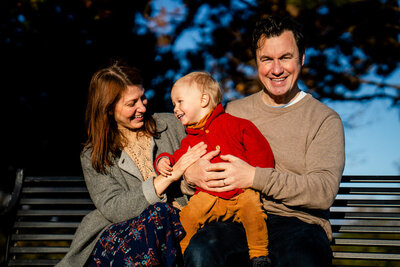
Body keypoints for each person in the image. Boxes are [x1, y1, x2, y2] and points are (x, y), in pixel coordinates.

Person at [181, 16, 345, 267]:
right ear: (257, 62)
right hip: (236, 220)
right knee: (202, 250)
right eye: (267, 59)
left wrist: (255, 177)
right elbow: (200, 166)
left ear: (302, 58)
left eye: (285, 57)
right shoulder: (233, 111)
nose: (276, 69)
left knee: (302, 259)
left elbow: (322, 192)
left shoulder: (324, 119)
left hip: (299, 224)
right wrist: (191, 177)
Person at [56, 61, 207, 267]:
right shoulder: (93, 154)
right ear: (108, 108)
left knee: (162, 214)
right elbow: (115, 208)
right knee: (159, 213)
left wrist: (188, 178)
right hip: (121, 236)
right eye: (131, 103)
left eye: (143, 97)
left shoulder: (171, 125)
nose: (142, 107)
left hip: (181, 226)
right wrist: (169, 176)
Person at [155, 72, 274, 267]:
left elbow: (262, 154)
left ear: (203, 100)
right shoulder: (190, 139)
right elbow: (179, 158)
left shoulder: (236, 125)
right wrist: (164, 160)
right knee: (187, 216)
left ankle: (259, 255)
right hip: (209, 196)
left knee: (254, 212)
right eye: (173, 104)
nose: (175, 108)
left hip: (241, 192)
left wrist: (255, 174)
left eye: (179, 102)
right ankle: (182, 255)